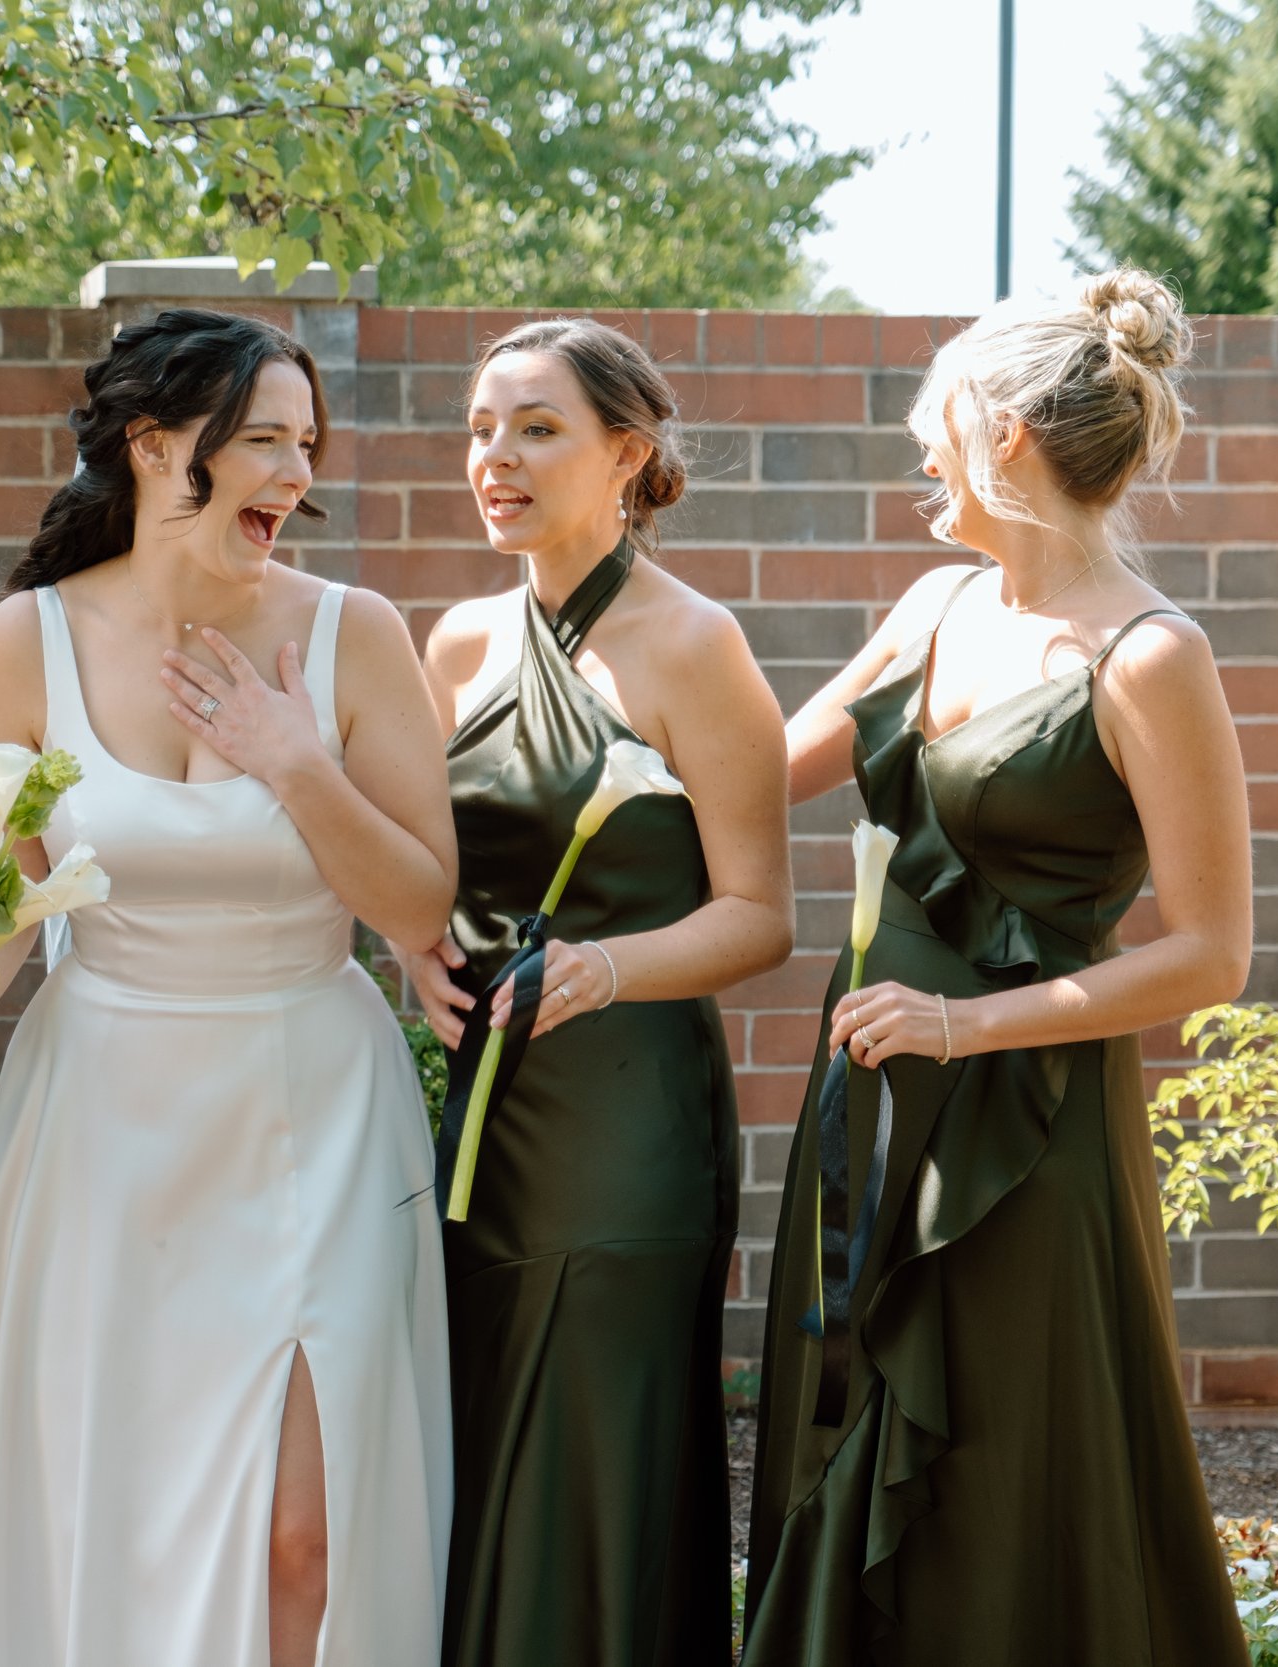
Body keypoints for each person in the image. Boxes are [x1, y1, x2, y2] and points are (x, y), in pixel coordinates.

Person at [0, 309, 456, 1667]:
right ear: (155, 448)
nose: (294, 474)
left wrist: (296, 763)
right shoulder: (25, 641)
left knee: (303, 1535)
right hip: (102, 1117)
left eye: (304, 444)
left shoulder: (358, 634)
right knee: (109, 1503)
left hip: (312, 1109)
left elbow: (415, 903)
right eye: (262, 441)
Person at [742, 270, 1252, 1666]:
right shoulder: (930, 605)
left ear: (1004, 430)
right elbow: (755, 778)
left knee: (1012, 1467)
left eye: (934, 416)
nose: (918, 446)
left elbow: (1213, 954)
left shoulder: (1150, 655)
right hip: (875, 1093)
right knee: (848, 1433)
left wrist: (967, 1031)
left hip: (1029, 1138)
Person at [393, 319, 792, 1667]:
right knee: (484, 1437)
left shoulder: (697, 646)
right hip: (483, 1123)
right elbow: (430, 873)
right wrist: (412, 950)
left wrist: (609, 968)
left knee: (595, 1458)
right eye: (480, 428)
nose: (493, 457)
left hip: (632, 1129)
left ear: (628, 453)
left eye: (535, 428)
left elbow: (760, 916)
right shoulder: (452, 644)